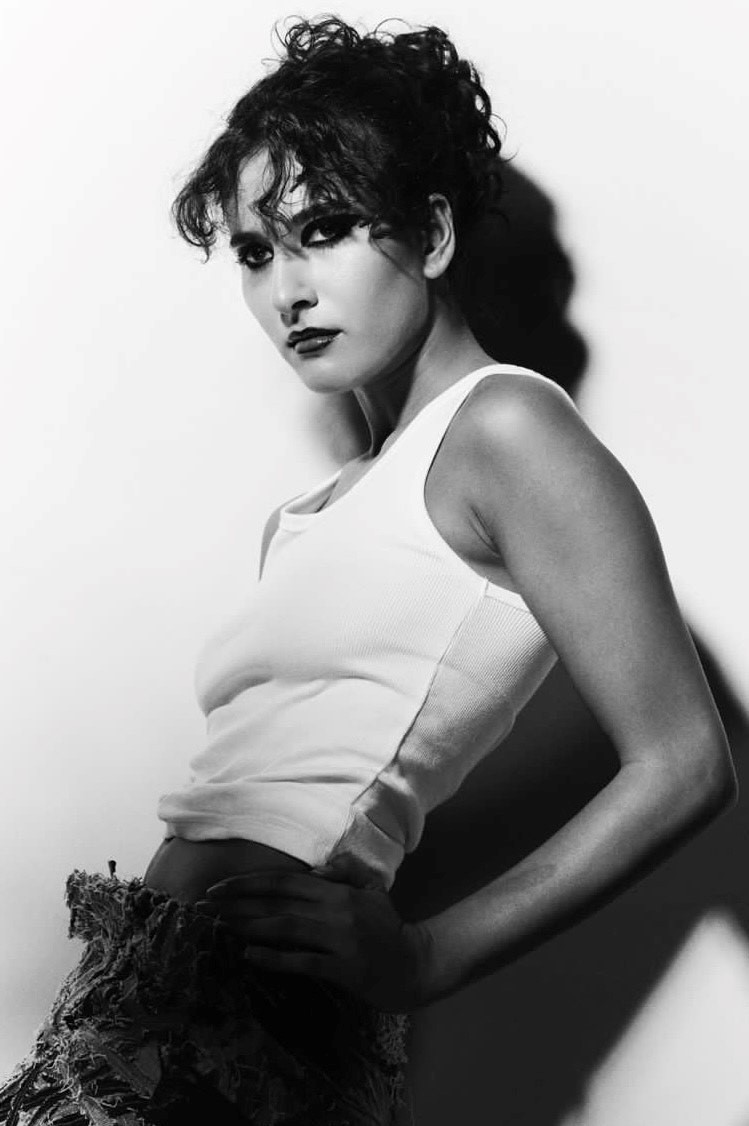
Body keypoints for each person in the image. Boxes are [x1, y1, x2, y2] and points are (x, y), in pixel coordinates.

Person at [0, 15, 736, 1126]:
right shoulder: (314, 513)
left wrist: (428, 956)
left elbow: (684, 761)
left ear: (430, 234)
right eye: (256, 253)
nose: (287, 291)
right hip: (134, 1000)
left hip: (250, 1033)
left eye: (324, 230)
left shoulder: (506, 428)